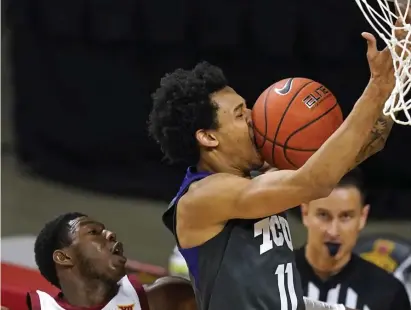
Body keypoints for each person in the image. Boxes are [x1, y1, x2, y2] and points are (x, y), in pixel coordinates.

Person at [147, 18, 411, 309]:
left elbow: (369, 143)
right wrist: (376, 88)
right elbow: (315, 181)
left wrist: (398, 65)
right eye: (239, 114)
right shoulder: (202, 196)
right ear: (208, 137)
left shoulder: (258, 179)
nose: (252, 116)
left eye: (246, 107)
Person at [27, 212, 197, 310]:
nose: (110, 234)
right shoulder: (41, 306)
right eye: (93, 232)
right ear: (63, 257)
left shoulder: (169, 298)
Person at [295, 169, 411, 310]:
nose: (333, 231)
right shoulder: (272, 277)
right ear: (305, 213)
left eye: (346, 216)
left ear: (363, 217)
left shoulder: (389, 293)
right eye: (323, 215)